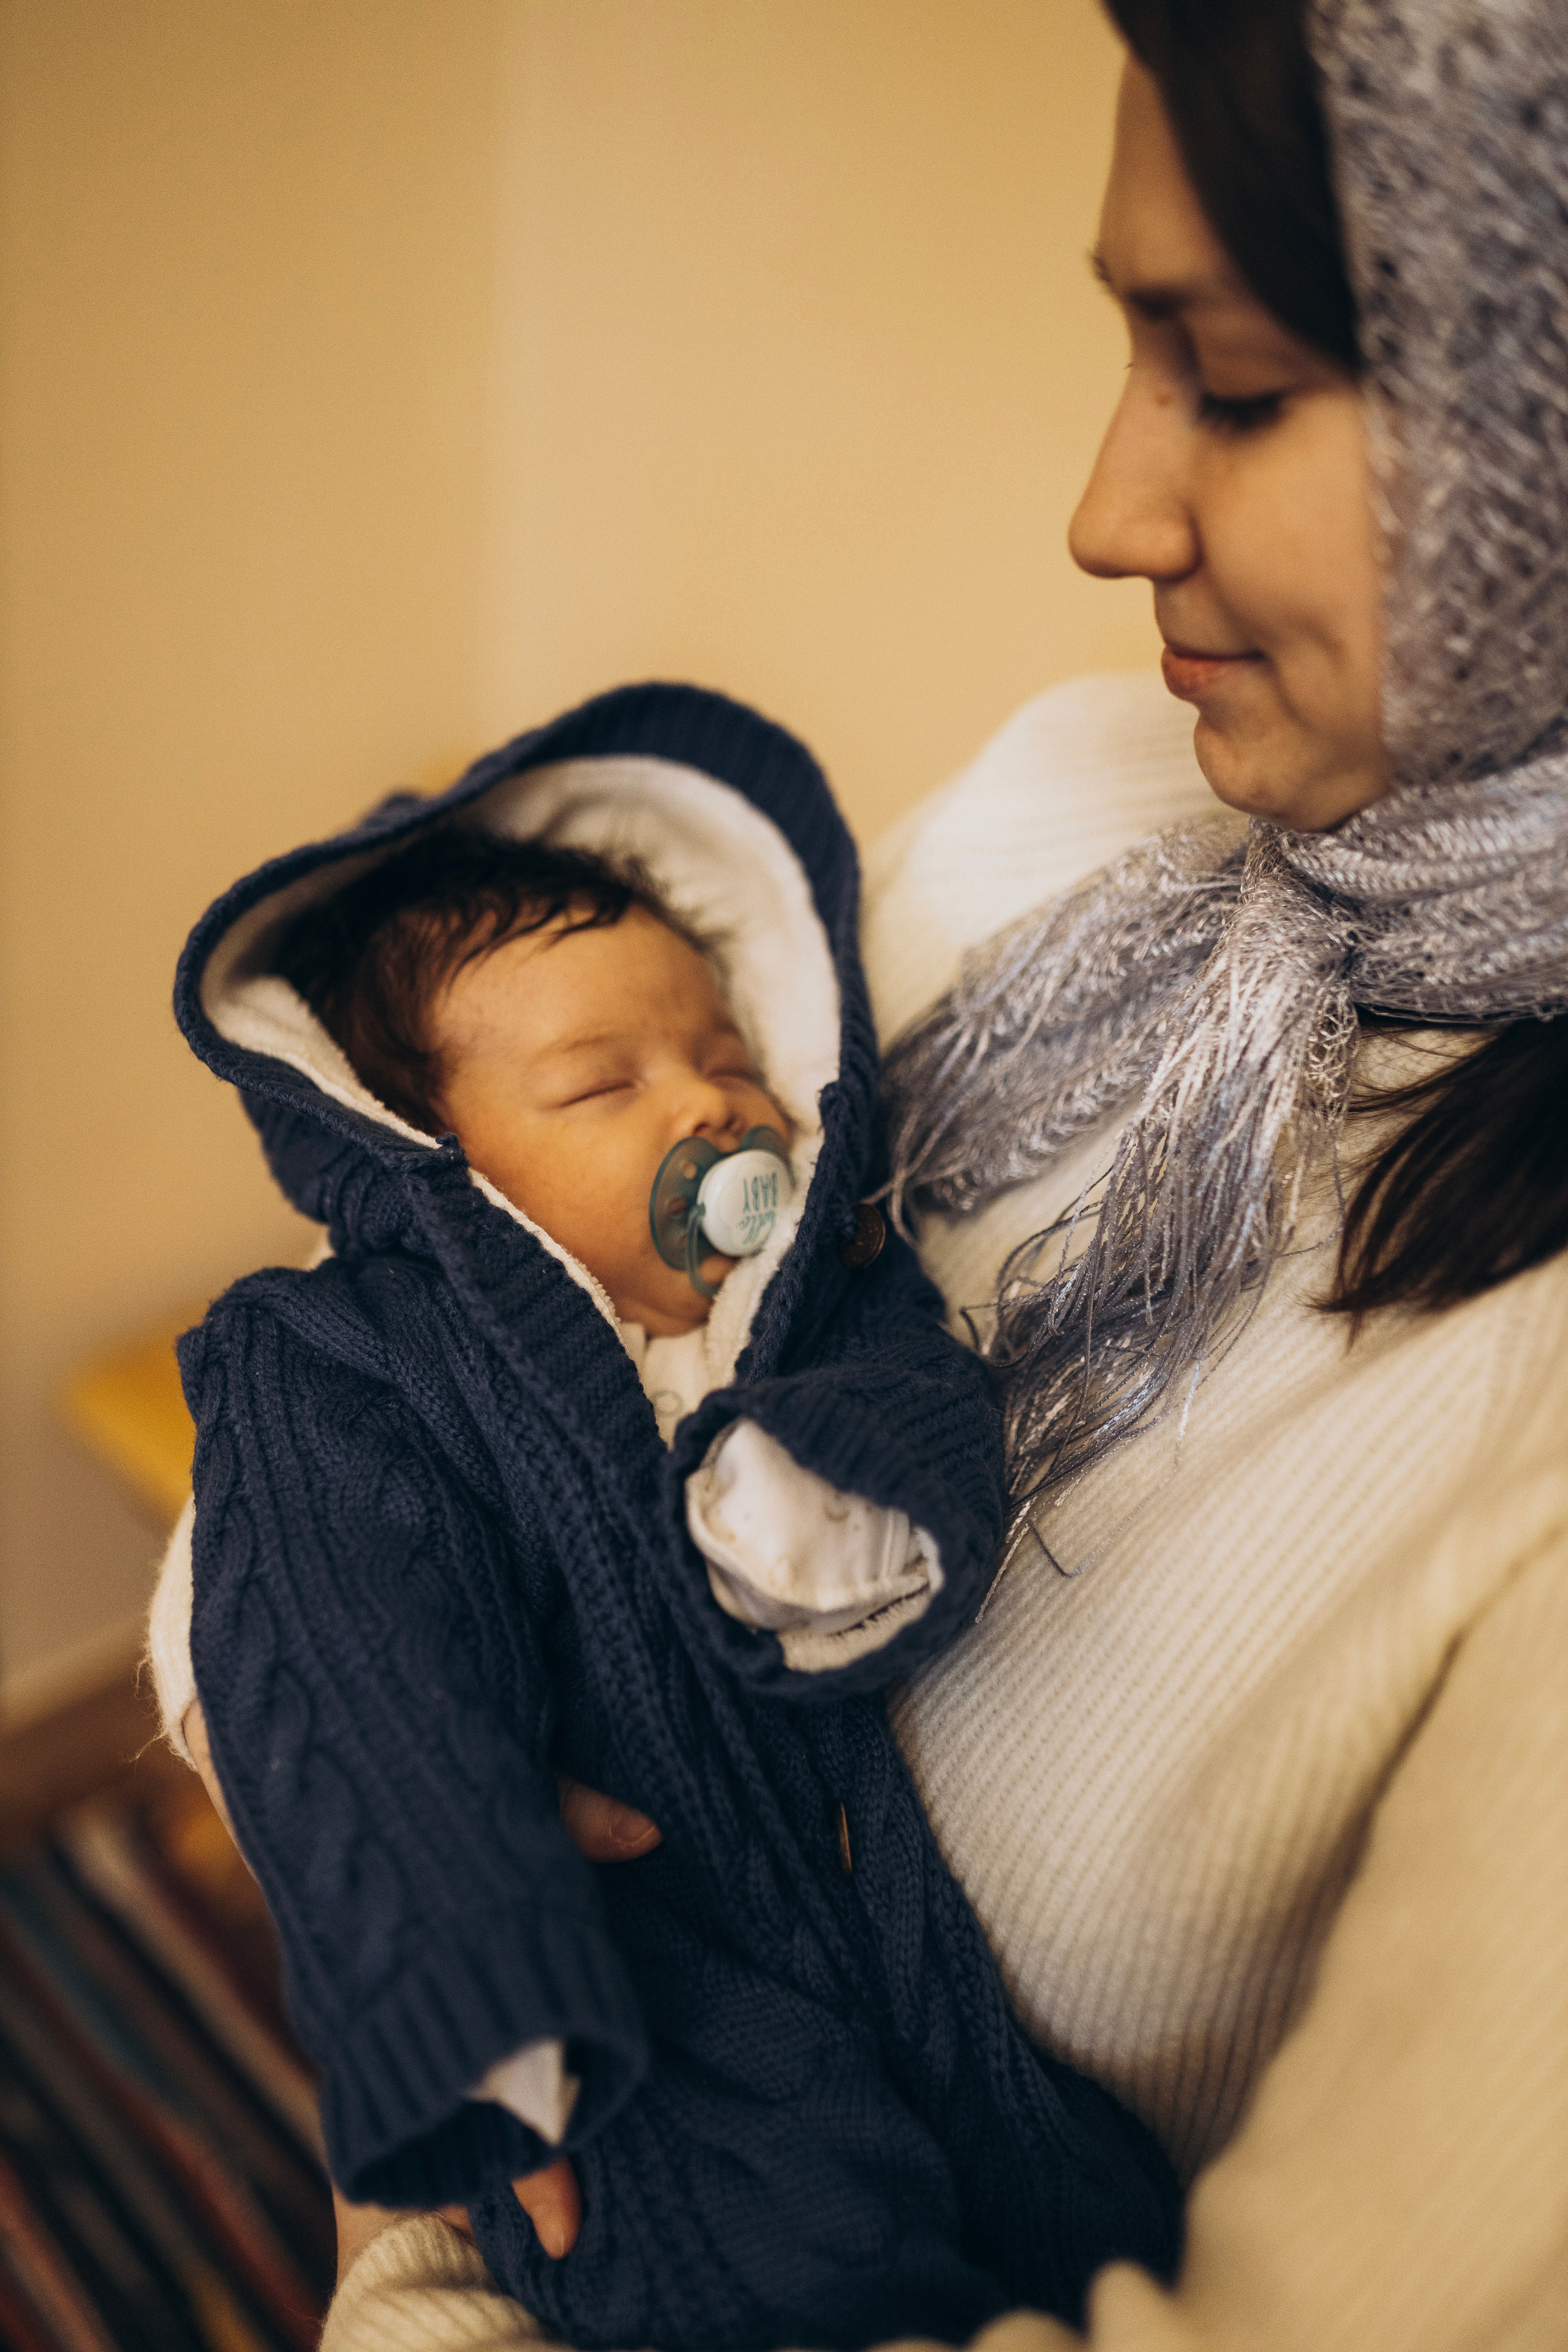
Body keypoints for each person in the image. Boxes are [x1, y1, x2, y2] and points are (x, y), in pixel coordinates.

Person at [299, 1, 1568, 2345]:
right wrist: (389, 1862)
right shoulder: (1072, 803)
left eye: (1243, 377)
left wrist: (422, 2290)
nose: (1103, 516)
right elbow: (429, 1342)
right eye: (1130, 348)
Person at [148, 680, 1179, 2352]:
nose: (707, 1105)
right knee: (778, 2284)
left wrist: (832, 1510)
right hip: (639, 2020)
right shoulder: (338, 1358)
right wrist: (475, 2004)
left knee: (1083, 2217)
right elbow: (340, 1660)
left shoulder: (828, 1295)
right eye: (598, 1082)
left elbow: (933, 1434)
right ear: (433, 1158)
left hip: (903, 1948)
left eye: (720, 1051)